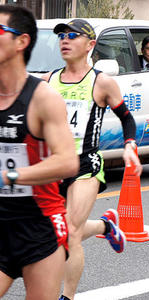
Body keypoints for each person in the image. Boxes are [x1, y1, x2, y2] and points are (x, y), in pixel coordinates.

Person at [41, 19, 143, 300]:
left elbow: (127, 119)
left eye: (72, 35)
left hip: (85, 164)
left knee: (71, 233)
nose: (65, 40)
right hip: (54, 165)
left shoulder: (101, 82)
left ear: (90, 45)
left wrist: (130, 146)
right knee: (53, 232)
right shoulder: (48, 80)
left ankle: (67, 297)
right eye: (62, 35)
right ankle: (105, 226)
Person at [0, 5, 79, 300]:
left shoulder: (43, 98)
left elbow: (67, 161)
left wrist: (10, 176)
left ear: (21, 41)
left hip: (39, 227)